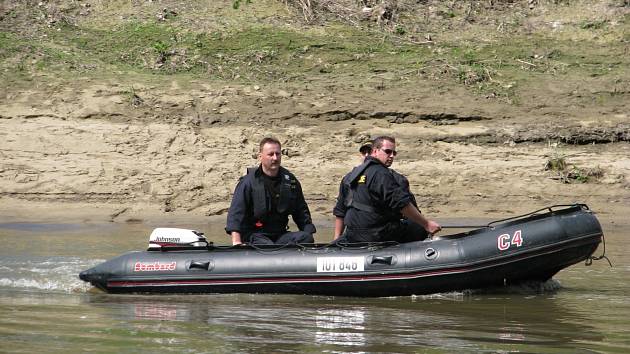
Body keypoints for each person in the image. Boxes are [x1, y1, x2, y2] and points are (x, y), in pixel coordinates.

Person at [333, 136, 441, 243]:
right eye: (388, 152)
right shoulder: (381, 174)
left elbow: (340, 211)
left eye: (394, 153)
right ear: (375, 152)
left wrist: (337, 240)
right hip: (376, 233)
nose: (391, 156)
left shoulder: (350, 177)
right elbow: (402, 204)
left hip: (354, 234)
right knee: (418, 227)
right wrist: (426, 224)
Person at [225, 137, 316, 245]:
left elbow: (301, 212)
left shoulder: (290, 180)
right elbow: (236, 214)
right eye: (270, 154)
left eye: (278, 154)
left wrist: (309, 238)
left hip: (280, 235)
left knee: (305, 238)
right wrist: (237, 242)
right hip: (255, 235)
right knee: (266, 245)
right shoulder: (248, 182)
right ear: (260, 156)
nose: (275, 158)